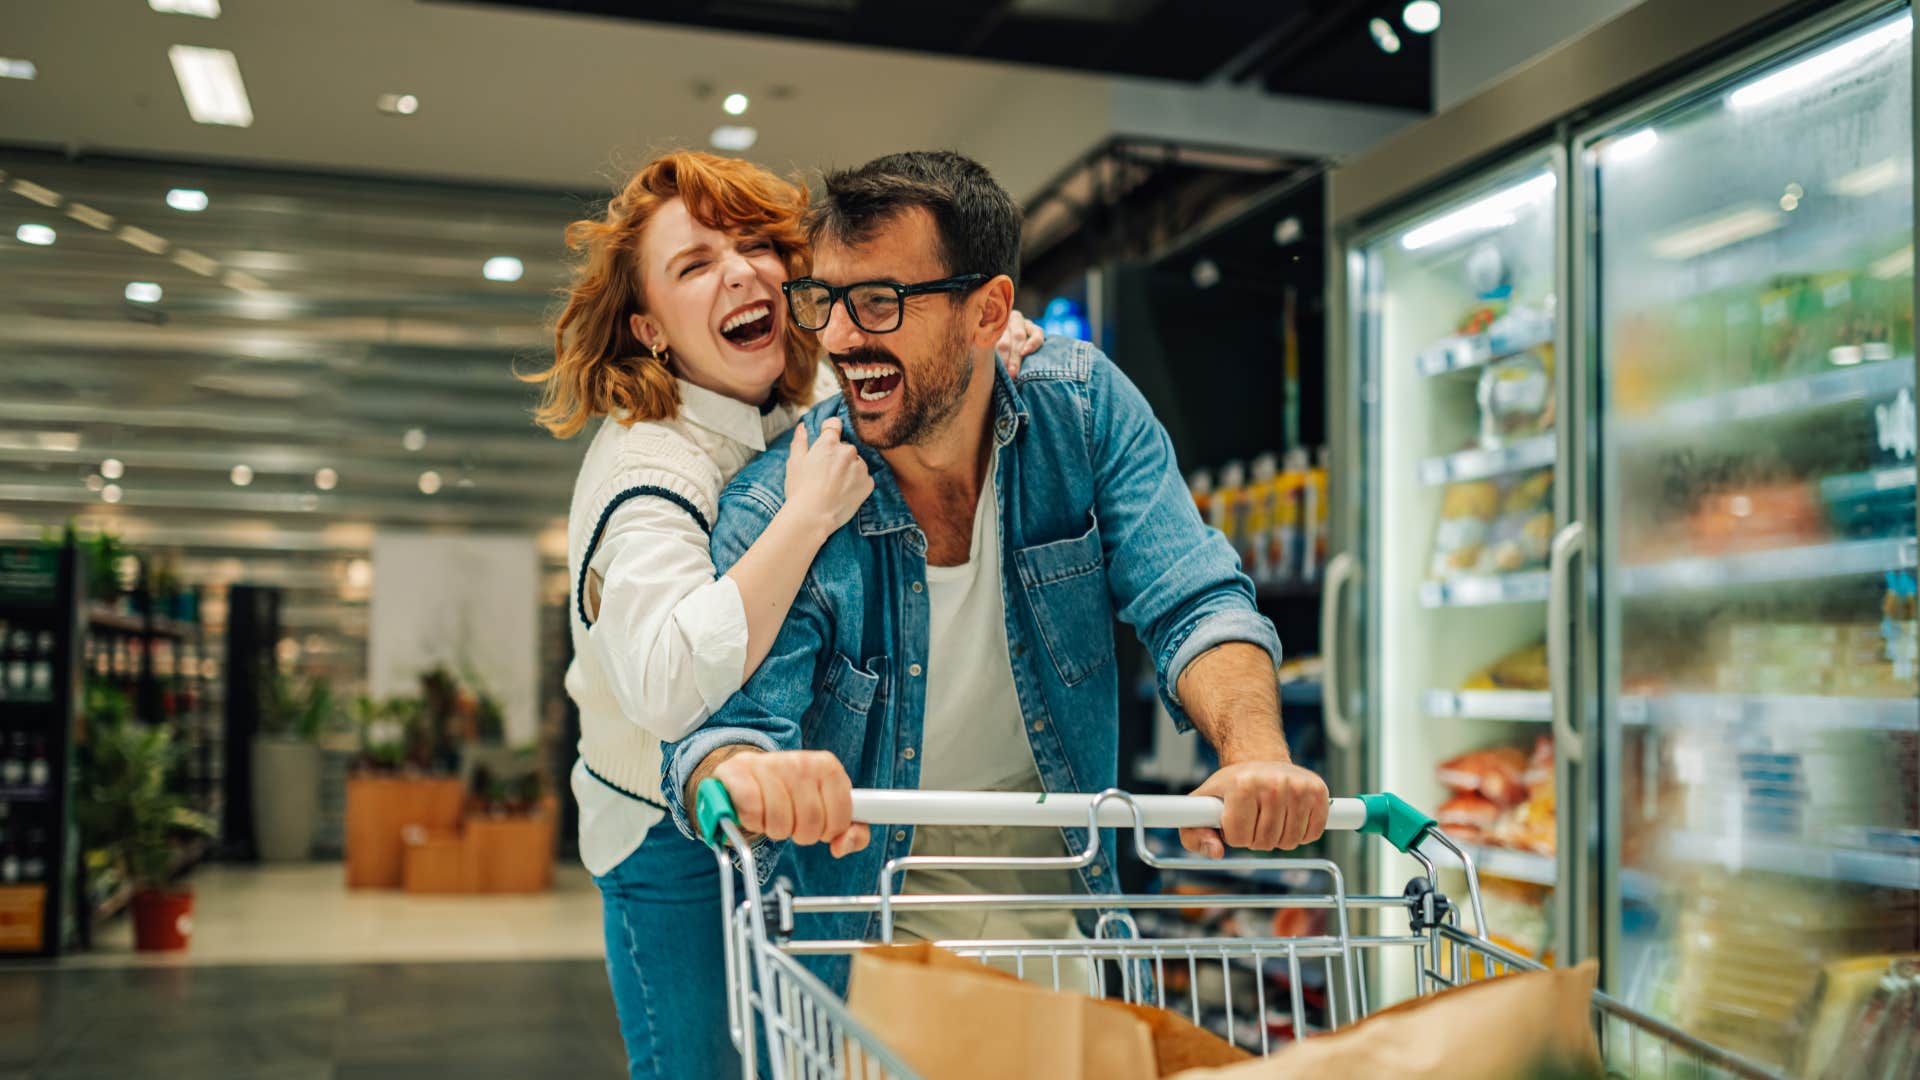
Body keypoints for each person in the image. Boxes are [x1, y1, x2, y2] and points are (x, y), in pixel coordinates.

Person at [661, 151, 1330, 991]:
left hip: (1067, 907)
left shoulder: (1081, 415)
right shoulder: (780, 508)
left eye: (879, 302)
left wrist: (1255, 749)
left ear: (989, 313)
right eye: (823, 301)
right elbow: (718, 739)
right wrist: (752, 775)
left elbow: (1191, 597)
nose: (836, 336)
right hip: (870, 932)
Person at [522, 150, 1042, 1080]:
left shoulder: (780, 392)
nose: (740, 271)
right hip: (664, 834)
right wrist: (802, 520)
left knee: (797, 1059)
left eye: (756, 243)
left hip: (787, 809)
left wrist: (971, 342)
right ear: (649, 327)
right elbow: (666, 685)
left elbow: (897, 370)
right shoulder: (648, 473)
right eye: (693, 265)